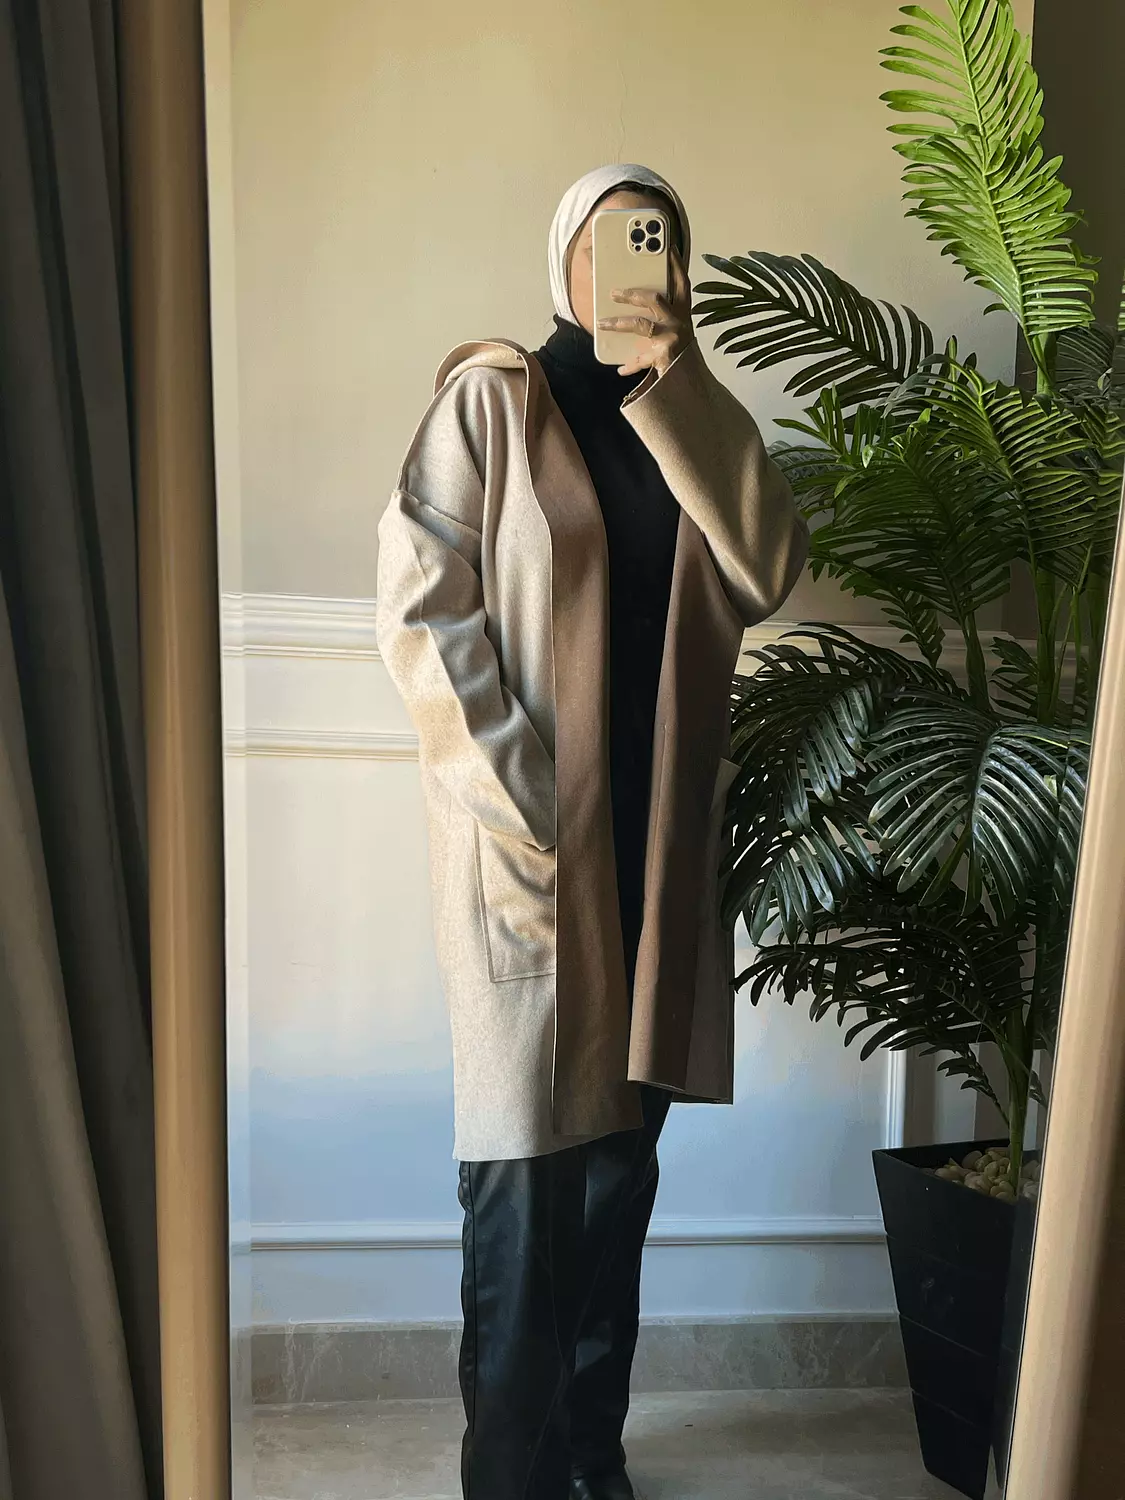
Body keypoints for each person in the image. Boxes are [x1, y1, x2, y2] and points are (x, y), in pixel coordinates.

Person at [376, 164, 808, 1500]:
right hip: (527, 854)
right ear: (564, 256)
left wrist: (681, 385)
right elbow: (421, 609)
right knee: (522, 1179)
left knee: (620, 1173)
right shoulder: (491, 403)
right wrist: (519, 794)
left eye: (661, 240)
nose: (641, 261)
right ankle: (510, 1472)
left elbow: (766, 568)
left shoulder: (687, 416)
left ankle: (590, 1453)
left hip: (653, 853)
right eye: (617, 237)